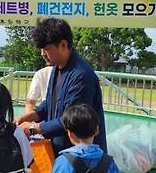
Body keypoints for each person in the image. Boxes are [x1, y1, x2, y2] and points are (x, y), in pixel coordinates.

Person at [16, 18, 107, 155]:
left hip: (82, 159)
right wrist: (32, 115)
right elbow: (51, 103)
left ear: (63, 45)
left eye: (46, 49)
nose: (42, 54)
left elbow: (72, 119)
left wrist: (34, 128)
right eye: (41, 49)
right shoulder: (57, 68)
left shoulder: (81, 75)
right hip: (62, 153)